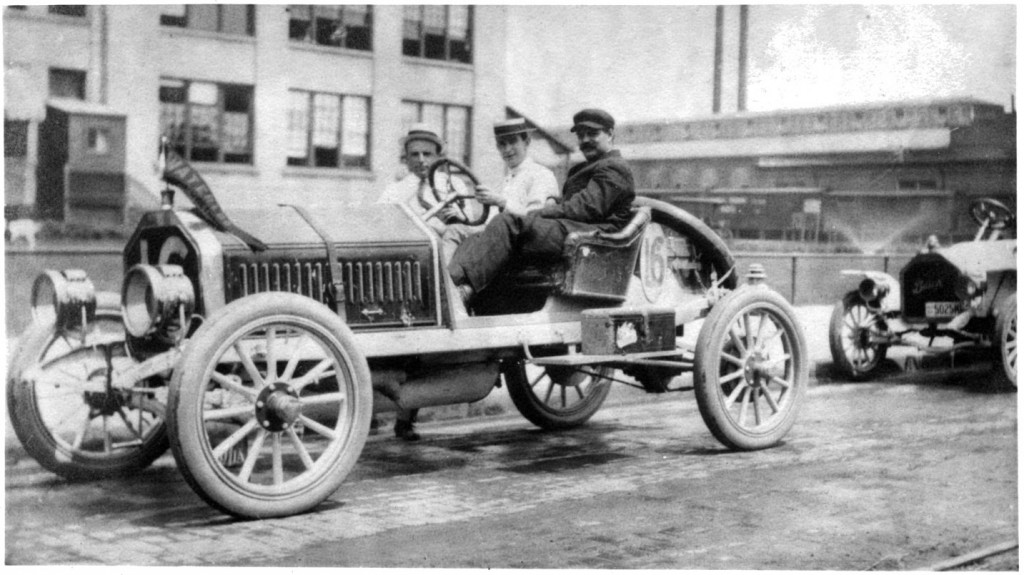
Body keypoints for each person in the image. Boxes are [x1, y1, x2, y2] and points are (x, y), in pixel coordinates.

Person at [448, 108, 635, 304]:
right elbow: (576, 206)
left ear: (611, 134)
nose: (585, 140)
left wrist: (541, 212)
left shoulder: (614, 166)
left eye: (593, 134)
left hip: (593, 238)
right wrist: (551, 206)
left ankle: (463, 291)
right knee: (478, 236)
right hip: (576, 230)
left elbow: (586, 208)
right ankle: (451, 285)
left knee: (508, 222)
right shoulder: (588, 167)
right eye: (581, 135)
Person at [379, 123, 468, 441]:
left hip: (445, 263)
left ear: (438, 155)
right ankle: (394, 413)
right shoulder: (395, 190)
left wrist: (451, 221)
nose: (420, 160)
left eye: (427, 153)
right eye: (413, 154)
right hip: (406, 266)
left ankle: (406, 419)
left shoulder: (452, 184)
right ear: (405, 158)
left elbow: (468, 225)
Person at [474, 117, 560, 218]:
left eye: (513, 142)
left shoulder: (542, 175)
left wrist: (501, 202)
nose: (507, 149)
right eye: (502, 144)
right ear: (497, 147)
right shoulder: (507, 180)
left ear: (526, 142)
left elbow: (536, 218)